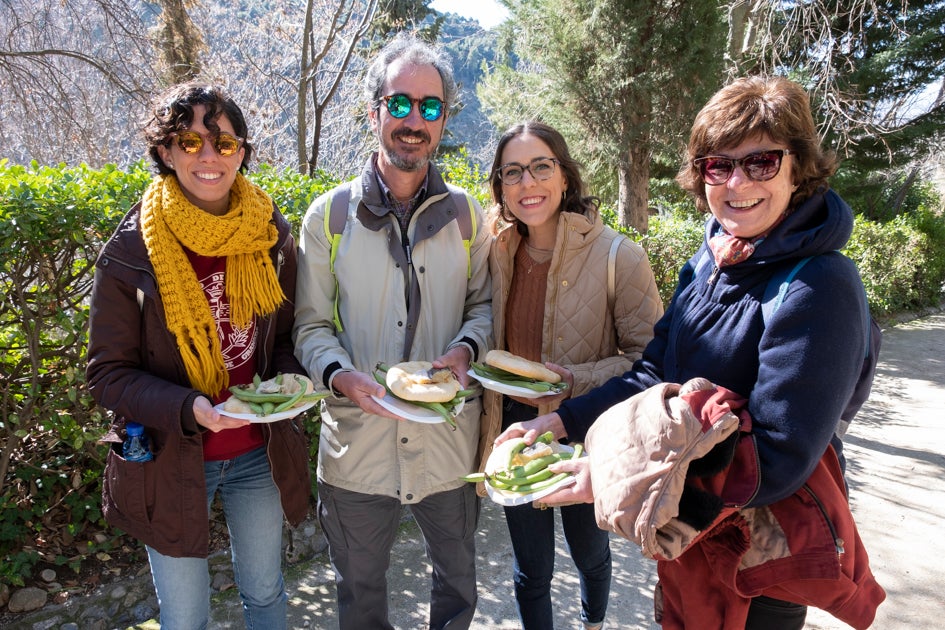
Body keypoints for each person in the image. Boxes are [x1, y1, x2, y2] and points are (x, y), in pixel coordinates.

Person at [495, 76, 886, 629]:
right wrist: (559, 422)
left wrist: (610, 475)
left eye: (761, 162)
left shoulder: (820, 285)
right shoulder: (712, 261)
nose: (736, 183)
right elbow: (653, 373)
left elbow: (774, 460)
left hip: (756, 563)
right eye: (717, 166)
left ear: (798, 166)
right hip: (687, 537)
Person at [86, 82, 311, 630]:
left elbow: (282, 340)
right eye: (190, 142)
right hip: (169, 456)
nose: (209, 157)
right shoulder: (132, 250)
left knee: (265, 594)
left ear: (242, 153)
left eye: (225, 143)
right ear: (165, 152)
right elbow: (107, 375)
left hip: (256, 449)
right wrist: (190, 408)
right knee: (186, 617)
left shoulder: (268, 235)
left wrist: (286, 386)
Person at [292, 34, 491, 630]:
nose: (413, 119)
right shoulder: (328, 217)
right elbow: (309, 326)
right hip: (358, 449)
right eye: (399, 102)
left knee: (458, 591)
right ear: (374, 109)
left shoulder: (467, 216)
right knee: (358, 596)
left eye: (429, 107)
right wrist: (341, 376)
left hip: (449, 445)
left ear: (444, 119)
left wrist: (464, 349)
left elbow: (483, 308)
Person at [481, 121, 663, 629]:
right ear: (500, 186)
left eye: (541, 167)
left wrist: (575, 380)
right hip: (516, 429)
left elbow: (652, 360)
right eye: (512, 172)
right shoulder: (495, 251)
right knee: (531, 568)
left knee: (590, 553)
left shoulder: (618, 256)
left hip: (588, 428)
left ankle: (593, 622)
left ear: (565, 177)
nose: (527, 183)